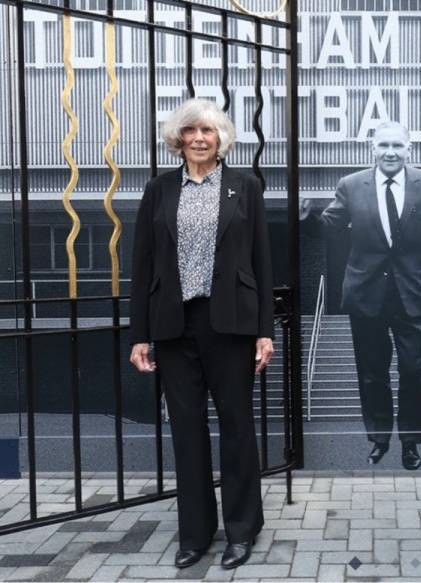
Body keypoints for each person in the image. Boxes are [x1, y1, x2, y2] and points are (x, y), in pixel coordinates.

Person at [129, 98, 274, 570]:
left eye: (207, 131)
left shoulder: (244, 186)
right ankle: (195, 533)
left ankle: (241, 529)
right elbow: (143, 264)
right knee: (187, 432)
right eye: (189, 131)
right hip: (174, 326)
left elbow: (261, 262)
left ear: (220, 138)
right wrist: (139, 335)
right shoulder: (159, 189)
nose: (198, 139)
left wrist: (264, 331)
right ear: (177, 139)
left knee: (237, 428)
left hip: (230, 325)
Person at [301, 121, 421, 470]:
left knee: (412, 371)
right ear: (373, 148)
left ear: (409, 149)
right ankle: (379, 439)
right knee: (372, 373)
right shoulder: (351, 185)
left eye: (398, 145)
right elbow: (329, 227)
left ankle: (411, 442)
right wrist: (306, 219)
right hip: (366, 294)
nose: (391, 152)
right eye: (384, 145)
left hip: (412, 293)